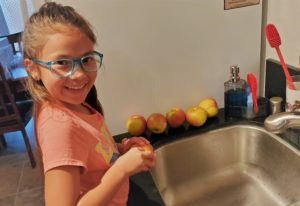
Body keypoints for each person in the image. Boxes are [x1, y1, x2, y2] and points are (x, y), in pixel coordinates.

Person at [23, 2, 156, 206]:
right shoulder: (60, 126)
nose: (78, 74)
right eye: (62, 62)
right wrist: (122, 169)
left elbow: (94, 150)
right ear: (33, 68)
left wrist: (121, 150)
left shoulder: (76, 105)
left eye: (86, 59)